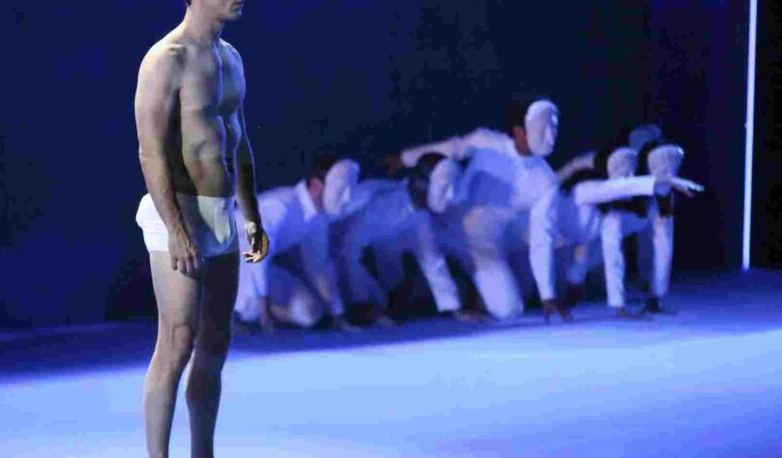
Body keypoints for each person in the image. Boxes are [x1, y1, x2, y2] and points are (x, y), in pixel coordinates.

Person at [133, 0, 267, 458]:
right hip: (177, 215)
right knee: (177, 343)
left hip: (221, 217)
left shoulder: (231, 58)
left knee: (214, 346)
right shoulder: (165, 60)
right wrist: (176, 228)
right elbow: (150, 152)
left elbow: (239, 142)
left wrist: (251, 214)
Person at [388, 98, 573, 319]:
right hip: (441, 221)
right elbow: (450, 148)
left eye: (554, 129)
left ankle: (470, 287)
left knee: (509, 310)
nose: (550, 137)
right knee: (408, 241)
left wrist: (548, 295)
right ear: (519, 131)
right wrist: (403, 159)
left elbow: (542, 238)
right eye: (543, 129)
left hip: (483, 245)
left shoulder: (546, 181)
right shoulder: (487, 142)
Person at [531, 143, 702, 319]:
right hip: (547, 252)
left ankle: (563, 290)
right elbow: (617, 187)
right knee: (527, 295)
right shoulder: (584, 191)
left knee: (573, 277)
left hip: (572, 253)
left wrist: (653, 296)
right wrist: (548, 295)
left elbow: (662, 244)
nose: (628, 176)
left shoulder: (625, 207)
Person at [330, 153, 477, 324]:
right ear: (420, 184)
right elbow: (346, 249)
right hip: (332, 257)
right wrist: (362, 303)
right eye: (442, 188)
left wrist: (454, 308)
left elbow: (432, 260)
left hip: (370, 252)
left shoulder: (419, 216)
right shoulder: (382, 202)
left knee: (391, 293)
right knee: (375, 300)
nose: (447, 196)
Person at [234, 155, 362, 332]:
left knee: (308, 313)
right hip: (220, 261)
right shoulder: (281, 205)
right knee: (252, 302)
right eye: (340, 188)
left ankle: (248, 315)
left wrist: (337, 313)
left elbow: (318, 265)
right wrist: (263, 306)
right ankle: (230, 314)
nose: (346, 198)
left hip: (255, 267)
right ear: (316, 185)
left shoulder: (317, 219)